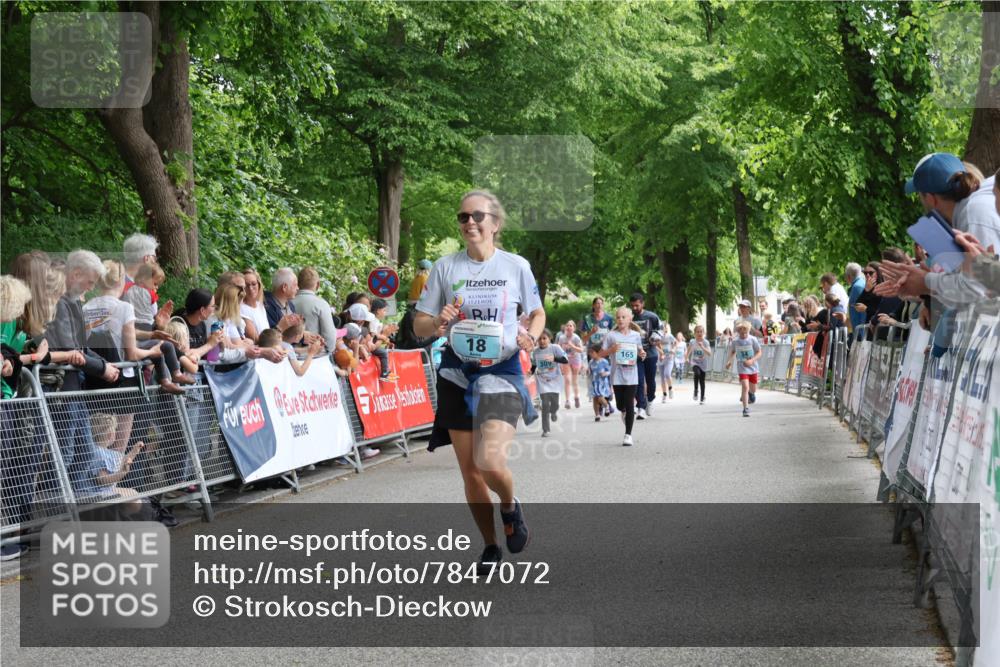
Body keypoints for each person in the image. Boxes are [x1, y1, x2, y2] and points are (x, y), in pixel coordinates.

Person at [412, 189, 543, 575]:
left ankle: (509, 505)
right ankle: (489, 545)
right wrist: (438, 322)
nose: (470, 222)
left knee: (490, 461)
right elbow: (420, 325)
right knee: (470, 471)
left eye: (478, 216)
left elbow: (536, 313)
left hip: (501, 369)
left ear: (494, 224)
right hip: (456, 371)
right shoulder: (445, 268)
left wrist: (530, 336)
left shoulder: (515, 266)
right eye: (463, 217)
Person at [600, 306, 645, 446]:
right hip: (617, 375)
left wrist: (642, 354)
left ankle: (628, 435)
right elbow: (601, 354)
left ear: (630, 319)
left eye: (623, 317)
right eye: (618, 317)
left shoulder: (636, 335)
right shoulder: (611, 335)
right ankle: (623, 411)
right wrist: (611, 350)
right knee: (620, 405)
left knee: (630, 402)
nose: (620, 319)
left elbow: (640, 351)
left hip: (632, 375)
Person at [628, 292, 661, 418]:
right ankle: (640, 407)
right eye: (632, 306)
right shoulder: (630, 318)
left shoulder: (652, 316)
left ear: (643, 303)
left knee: (650, 380)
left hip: (651, 354)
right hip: (636, 355)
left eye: (637, 305)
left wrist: (656, 338)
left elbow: (660, 331)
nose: (634, 308)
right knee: (638, 381)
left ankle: (650, 400)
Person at [531, 329, 569, 437]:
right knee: (545, 405)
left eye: (544, 338)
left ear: (550, 338)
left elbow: (565, 360)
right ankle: (546, 429)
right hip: (542, 381)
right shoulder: (536, 351)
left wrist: (554, 358)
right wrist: (531, 371)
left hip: (555, 380)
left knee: (555, 404)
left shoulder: (555, 348)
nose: (542, 341)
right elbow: (534, 364)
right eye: (540, 339)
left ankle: (554, 412)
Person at [726, 320, 762, 417]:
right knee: (745, 386)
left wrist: (752, 360)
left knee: (753, 389)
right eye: (741, 331)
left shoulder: (753, 339)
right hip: (742, 367)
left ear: (748, 330)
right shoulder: (735, 341)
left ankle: (751, 393)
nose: (743, 333)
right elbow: (733, 351)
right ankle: (745, 409)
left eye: (745, 331)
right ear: (738, 331)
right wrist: (729, 361)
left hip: (753, 367)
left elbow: (759, 352)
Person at [555, 320, 584, 409]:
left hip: (575, 360)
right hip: (566, 360)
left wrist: (572, 346)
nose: (569, 327)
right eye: (567, 325)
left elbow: (581, 350)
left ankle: (576, 397)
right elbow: (558, 348)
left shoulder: (576, 338)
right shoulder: (561, 338)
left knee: (574, 381)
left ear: (574, 328)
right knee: (567, 380)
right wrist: (559, 360)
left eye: (571, 326)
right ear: (565, 328)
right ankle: (567, 401)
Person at [264, 268, 302, 332]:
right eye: (295, 285)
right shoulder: (267, 307)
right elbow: (271, 335)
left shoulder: (290, 305)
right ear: (284, 287)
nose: (298, 288)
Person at [240, 268, 270, 343]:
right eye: (246, 285)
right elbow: (256, 339)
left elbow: (267, 332)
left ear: (259, 285)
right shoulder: (241, 308)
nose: (250, 288)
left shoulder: (260, 305)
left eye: (253, 284)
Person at [587, 344, 613, 421]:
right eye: (589, 352)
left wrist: (606, 373)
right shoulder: (591, 362)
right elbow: (590, 371)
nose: (590, 354)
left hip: (602, 383)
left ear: (598, 352)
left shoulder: (604, 361)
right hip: (594, 382)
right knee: (595, 398)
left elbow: (610, 371)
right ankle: (597, 415)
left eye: (592, 352)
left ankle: (606, 406)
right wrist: (588, 372)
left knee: (599, 396)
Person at [687, 325, 711, 405]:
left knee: (702, 380)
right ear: (694, 333)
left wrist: (703, 347)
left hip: (703, 363)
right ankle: (696, 390)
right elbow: (689, 350)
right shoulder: (692, 341)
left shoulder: (705, 342)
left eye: (701, 331)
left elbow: (709, 353)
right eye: (697, 332)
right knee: (697, 373)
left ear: (703, 333)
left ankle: (702, 397)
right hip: (695, 362)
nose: (699, 333)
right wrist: (686, 357)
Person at [658, 324, 676, 402]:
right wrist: (661, 353)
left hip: (669, 358)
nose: (663, 329)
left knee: (667, 374)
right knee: (662, 378)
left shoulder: (669, 336)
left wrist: (673, 350)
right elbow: (656, 346)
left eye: (664, 328)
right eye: (661, 328)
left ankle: (670, 388)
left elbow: (675, 343)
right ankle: (664, 394)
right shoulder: (658, 336)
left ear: (666, 329)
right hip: (661, 359)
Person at [845, 262, 866, 330]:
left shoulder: (857, 287)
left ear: (848, 276)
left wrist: (860, 332)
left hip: (859, 330)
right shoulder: (860, 284)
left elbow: (861, 310)